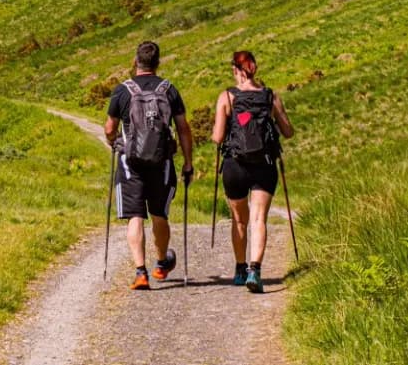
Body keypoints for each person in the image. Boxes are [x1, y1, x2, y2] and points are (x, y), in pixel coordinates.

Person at [104, 40, 195, 290]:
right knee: (158, 214)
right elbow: (184, 129)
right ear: (157, 63)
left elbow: (110, 128)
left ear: (136, 61)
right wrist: (188, 162)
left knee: (135, 216)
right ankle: (162, 263)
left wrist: (114, 142)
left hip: (129, 162)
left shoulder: (122, 91)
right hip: (161, 161)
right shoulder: (169, 90)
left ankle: (140, 272)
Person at [210, 48, 294, 294]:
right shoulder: (270, 96)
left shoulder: (227, 97)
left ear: (236, 71)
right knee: (259, 218)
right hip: (264, 165)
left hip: (235, 166)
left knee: (239, 219)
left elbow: (217, 137)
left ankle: (239, 268)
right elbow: (288, 132)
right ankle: (255, 270)